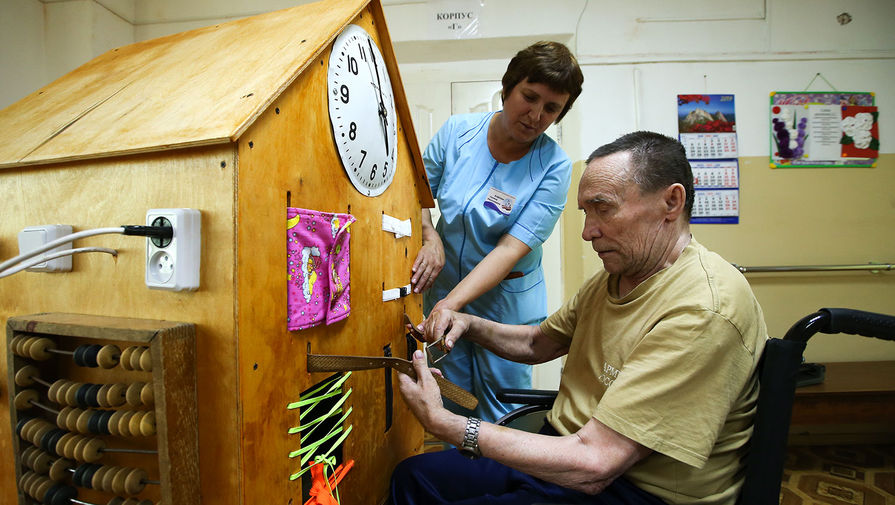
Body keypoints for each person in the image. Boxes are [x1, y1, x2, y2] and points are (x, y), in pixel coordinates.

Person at [390, 131, 768, 505]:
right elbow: (538, 342)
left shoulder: (703, 310)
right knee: (414, 478)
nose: (588, 232)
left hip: (631, 488)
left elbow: (595, 465)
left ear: (671, 202)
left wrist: (446, 424)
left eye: (603, 209)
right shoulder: (616, 278)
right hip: (566, 452)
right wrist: (470, 324)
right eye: (586, 212)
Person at [409, 41, 584, 422]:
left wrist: (450, 304)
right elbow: (416, 193)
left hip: (505, 305)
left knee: (502, 408)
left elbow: (509, 249)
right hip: (443, 289)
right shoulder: (457, 132)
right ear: (507, 88)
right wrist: (428, 232)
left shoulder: (554, 167)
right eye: (529, 96)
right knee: (448, 398)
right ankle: (458, 478)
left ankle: (502, 481)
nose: (536, 115)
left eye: (551, 108)